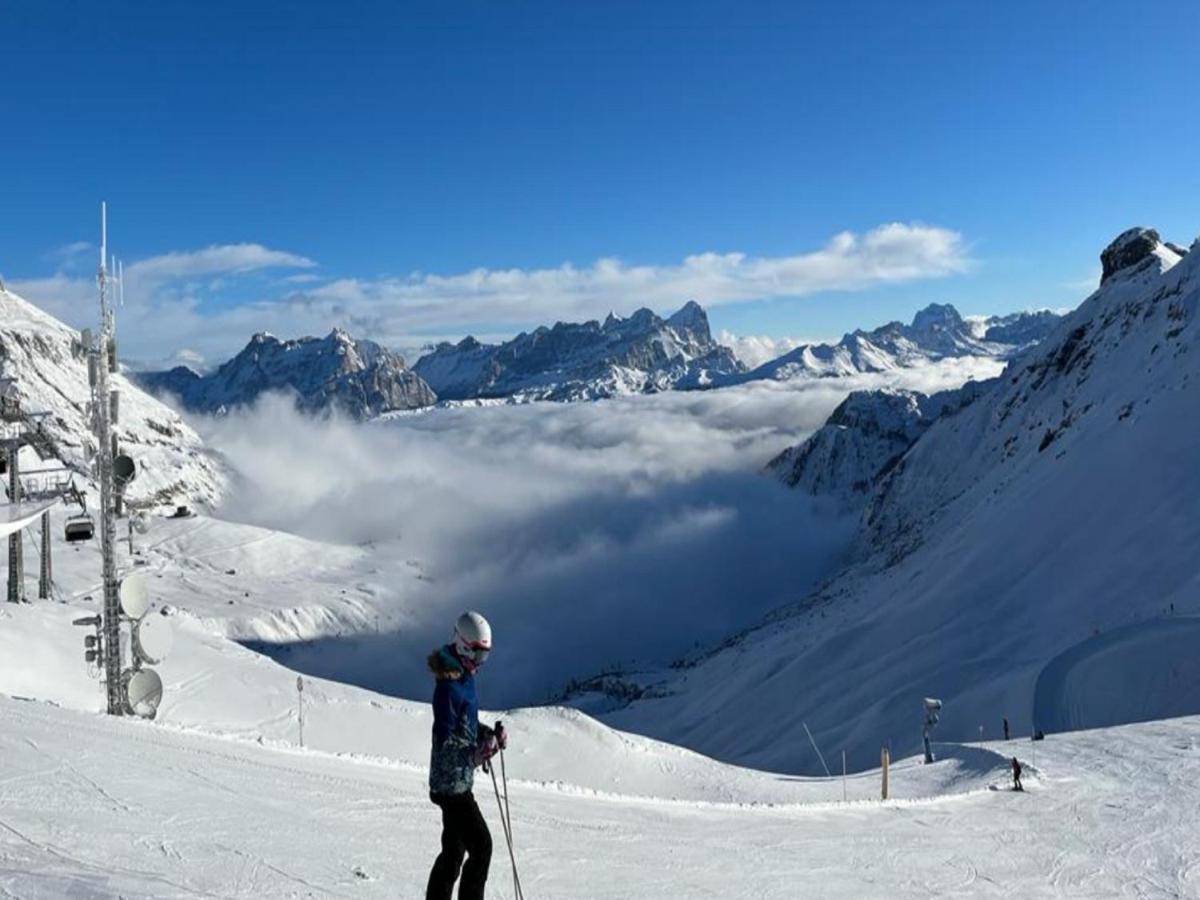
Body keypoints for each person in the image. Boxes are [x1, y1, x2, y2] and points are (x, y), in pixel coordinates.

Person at [425, 611, 507, 900]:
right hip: (451, 785)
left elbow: (465, 725)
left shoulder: (463, 676)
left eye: (485, 656)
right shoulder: (448, 688)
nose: (480, 663)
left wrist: (486, 735)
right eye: (478, 655)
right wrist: (476, 756)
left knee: (453, 854)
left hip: (458, 782)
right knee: (482, 847)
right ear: (462, 646)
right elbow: (445, 743)